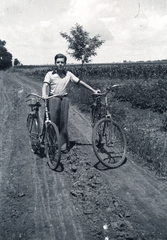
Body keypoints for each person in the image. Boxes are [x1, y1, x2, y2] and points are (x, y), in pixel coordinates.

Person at [42, 53, 100, 153]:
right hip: (53, 99)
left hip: (64, 99)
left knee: (63, 122)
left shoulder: (68, 74)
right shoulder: (50, 74)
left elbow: (80, 82)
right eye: (58, 62)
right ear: (55, 63)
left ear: (65, 63)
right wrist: (44, 94)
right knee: (53, 121)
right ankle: (51, 143)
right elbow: (45, 85)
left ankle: (63, 143)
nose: (60, 64)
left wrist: (93, 90)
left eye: (62, 62)